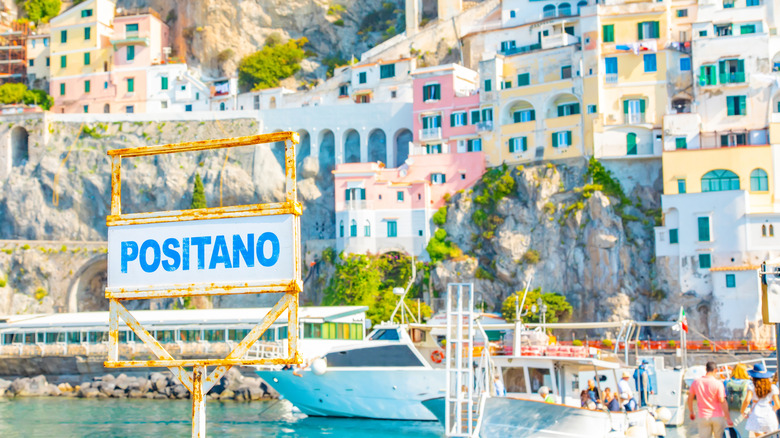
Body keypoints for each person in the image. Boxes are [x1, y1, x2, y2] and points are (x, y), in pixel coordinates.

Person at [688, 361, 733, 438]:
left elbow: (690, 398)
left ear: (706, 369)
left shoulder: (696, 382)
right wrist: (728, 417)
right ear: (716, 370)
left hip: (703, 416)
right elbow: (722, 401)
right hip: (718, 416)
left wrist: (692, 412)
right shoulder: (718, 383)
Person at [740, 363, 780, 437]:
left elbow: (747, 400)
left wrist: (742, 411)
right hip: (769, 414)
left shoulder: (752, 386)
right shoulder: (773, 387)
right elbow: (778, 404)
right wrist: (773, 409)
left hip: (756, 415)